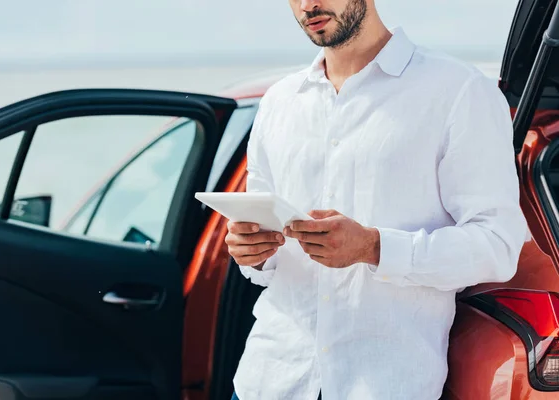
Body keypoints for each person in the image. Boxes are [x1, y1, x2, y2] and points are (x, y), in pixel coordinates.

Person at [225, 0, 528, 398]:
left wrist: (374, 247)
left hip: (384, 384)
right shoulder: (279, 103)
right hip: (269, 380)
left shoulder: (459, 92)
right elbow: (266, 255)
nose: (307, 5)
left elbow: (498, 245)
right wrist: (253, 251)